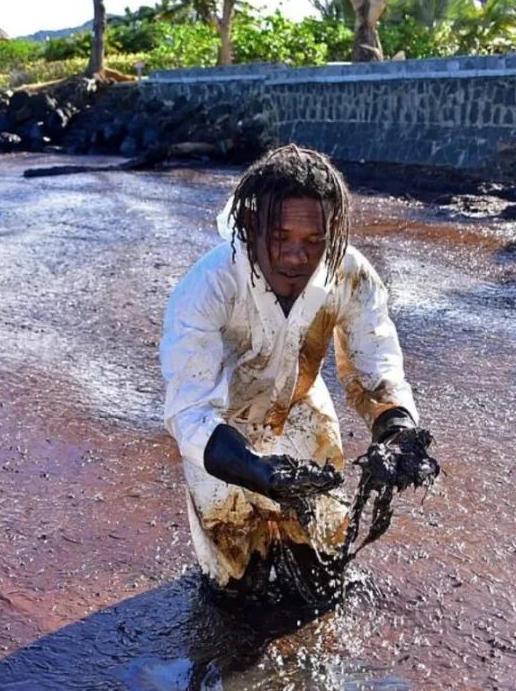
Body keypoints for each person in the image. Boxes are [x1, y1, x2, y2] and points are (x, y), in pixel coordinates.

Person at [159, 145, 428, 605]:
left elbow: (375, 363)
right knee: (234, 580)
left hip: (302, 410)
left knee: (325, 562)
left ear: (332, 235)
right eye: (280, 236)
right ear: (249, 226)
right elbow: (190, 412)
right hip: (224, 435)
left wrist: (398, 427)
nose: (297, 257)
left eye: (313, 241)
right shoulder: (207, 287)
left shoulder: (350, 273)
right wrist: (259, 473)